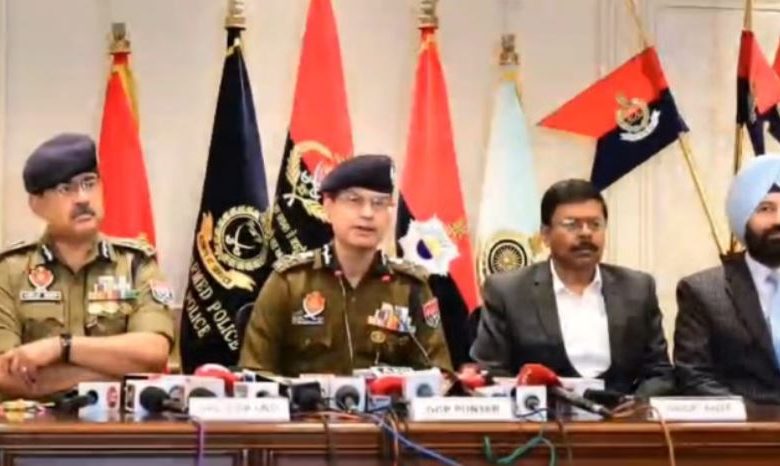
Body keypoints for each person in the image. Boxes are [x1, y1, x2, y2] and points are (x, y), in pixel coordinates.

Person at [239, 154, 452, 376]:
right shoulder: (290, 282)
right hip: (306, 400)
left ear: (390, 213)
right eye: (354, 201)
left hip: (388, 400)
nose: (367, 214)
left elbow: (438, 375)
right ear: (328, 206)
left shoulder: (410, 287)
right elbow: (255, 372)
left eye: (379, 203)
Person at [0, 133, 174, 398]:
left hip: (117, 423)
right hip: (37, 423)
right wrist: (115, 374)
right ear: (37, 205)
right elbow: (5, 374)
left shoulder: (136, 263)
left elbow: (153, 353)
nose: (82, 198)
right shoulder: (9, 270)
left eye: (89, 183)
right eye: (65, 189)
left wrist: (61, 347)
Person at [470, 179, 674, 396]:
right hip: (540, 414)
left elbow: (659, 373)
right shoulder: (508, 291)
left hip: (621, 413)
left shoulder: (637, 288)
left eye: (595, 224)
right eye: (572, 225)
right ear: (545, 234)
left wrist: (637, 404)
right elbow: (490, 373)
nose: (586, 233)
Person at [675, 153, 780, 404]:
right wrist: (754, 418)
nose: (778, 220)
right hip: (744, 425)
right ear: (741, 216)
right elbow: (694, 377)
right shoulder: (702, 291)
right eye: (765, 209)